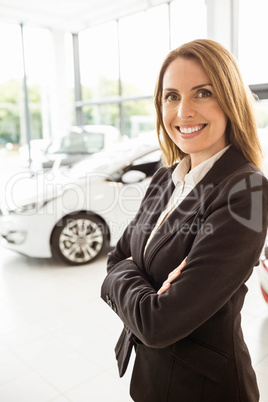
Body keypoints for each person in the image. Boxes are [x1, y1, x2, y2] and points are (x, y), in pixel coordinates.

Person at [101, 39, 268, 402]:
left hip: (205, 387)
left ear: (230, 100)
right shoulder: (166, 177)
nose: (183, 112)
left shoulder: (246, 190)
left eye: (203, 93)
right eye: (171, 96)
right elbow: (116, 258)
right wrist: (134, 279)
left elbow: (158, 323)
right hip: (150, 375)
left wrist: (126, 277)